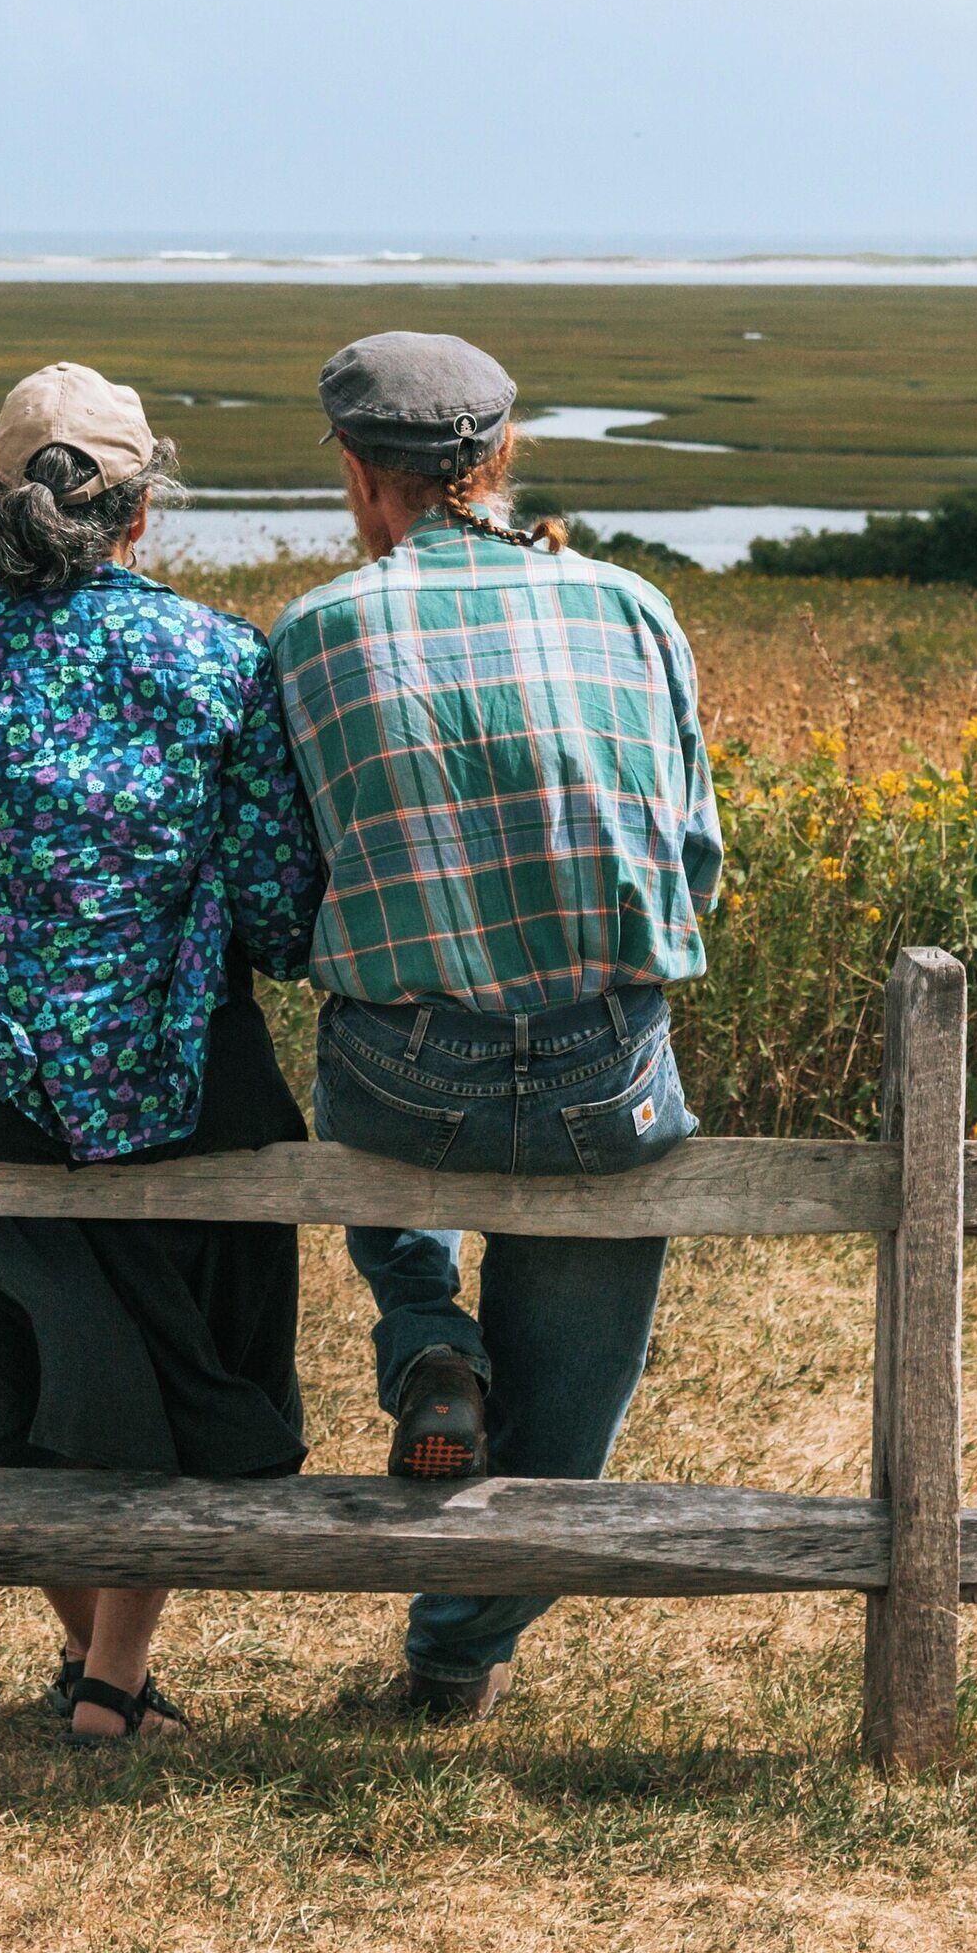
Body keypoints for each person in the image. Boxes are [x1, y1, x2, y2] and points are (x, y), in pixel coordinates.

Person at [0, 361, 324, 1749]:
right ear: (142, 515)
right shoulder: (224, 660)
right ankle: (114, 1681)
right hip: (184, 1092)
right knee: (167, 1385)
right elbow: (279, 911)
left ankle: (102, 1673)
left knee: (32, 1376)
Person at [268, 331, 725, 1722]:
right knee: (572, 1405)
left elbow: (290, 892)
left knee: (369, 1090)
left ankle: (422, 1329)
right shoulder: (636, 607)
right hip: (606, 1072)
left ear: (360, 475)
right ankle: (454, 1659)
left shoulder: (313, 632)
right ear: (501, 457)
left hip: (410, 1075)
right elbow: (697, 860)